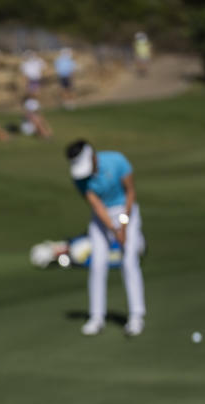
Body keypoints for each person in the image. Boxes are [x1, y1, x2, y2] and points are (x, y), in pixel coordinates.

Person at [65, 140, 147, 337]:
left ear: (92, 155)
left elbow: (130, 192)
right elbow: (97, 205)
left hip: (126, 211)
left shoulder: (116, 161)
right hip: (102, 218)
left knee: (128, 262)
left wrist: (124, 225)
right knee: (97, 264)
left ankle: (136, 316)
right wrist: (113, 229)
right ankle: (96, 317)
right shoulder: (78, 178)